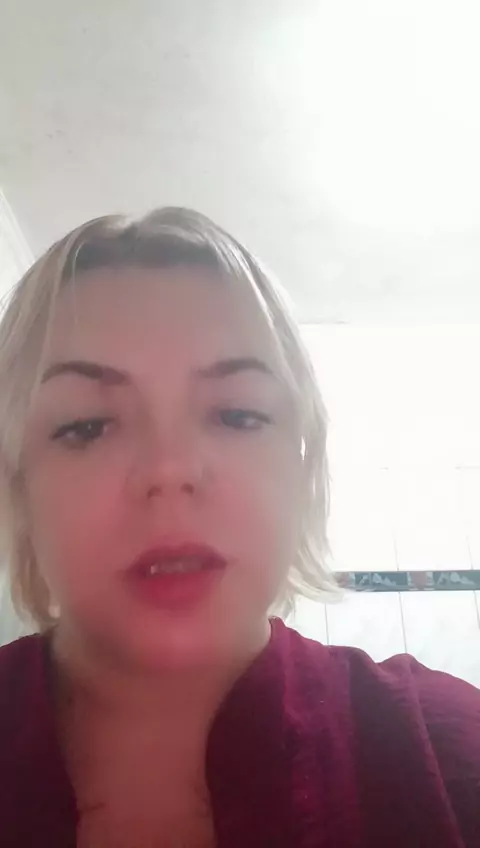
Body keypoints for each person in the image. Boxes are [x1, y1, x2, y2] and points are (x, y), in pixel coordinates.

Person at [0, 207, 478, 848]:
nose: (170, 470)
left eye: (237, 415)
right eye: (87, 425)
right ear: (19, 481)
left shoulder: (449, 751)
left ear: (300, 460)